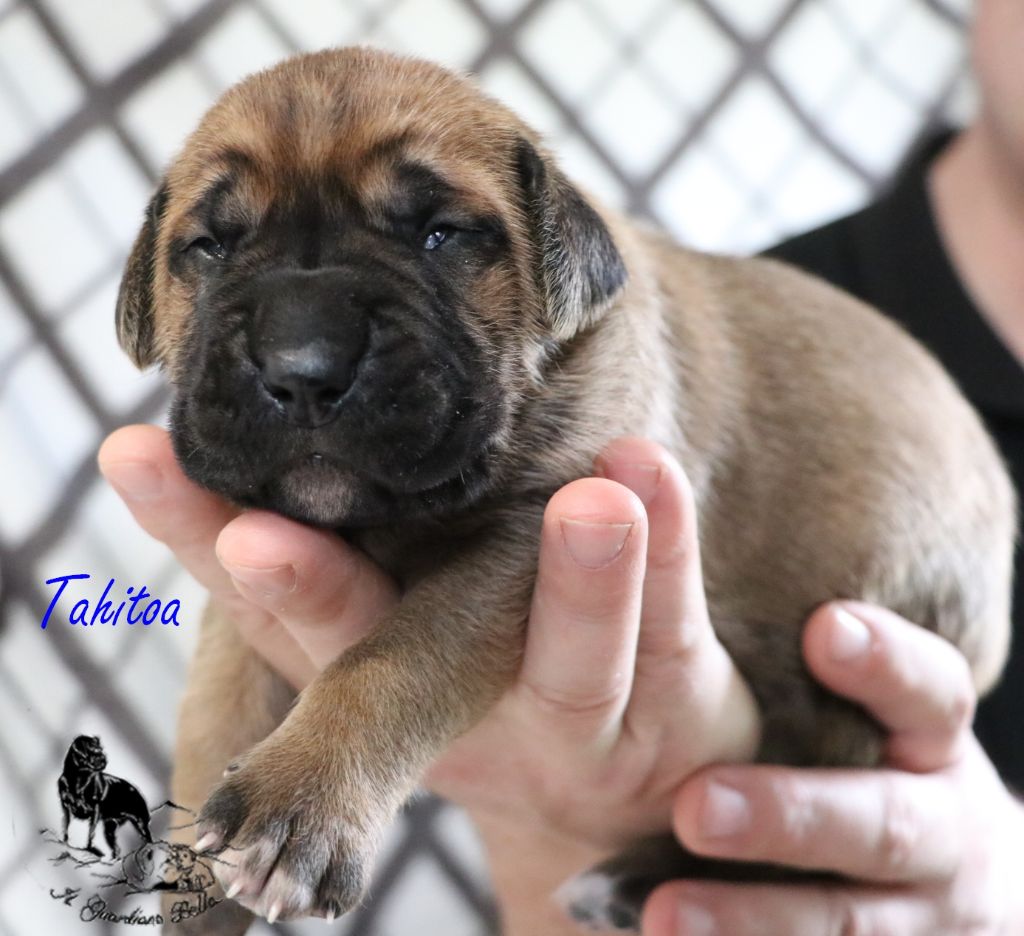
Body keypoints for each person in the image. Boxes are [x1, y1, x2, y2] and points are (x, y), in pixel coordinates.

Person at [97, 1, 1024, 932]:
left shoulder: (598, 372)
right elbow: (246, 643)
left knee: (577, 544)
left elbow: (535, 559)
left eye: (440, 234)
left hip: (887, 574)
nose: (303, 353)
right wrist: (194, 894)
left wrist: (343, 756)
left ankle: (732, 846)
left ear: (562, 268)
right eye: (212, 246)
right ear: (143, 292)